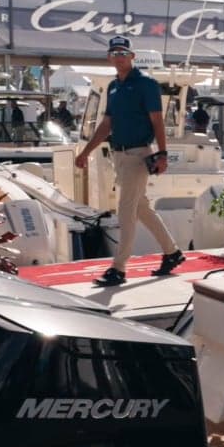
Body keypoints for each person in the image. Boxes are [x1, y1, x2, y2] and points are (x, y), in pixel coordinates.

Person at [75, 36, 182, 287]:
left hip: (138, 155)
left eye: (123, 52)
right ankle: (172, 252)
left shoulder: (146, 84)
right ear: (109, 57)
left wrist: (163, 154)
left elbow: (157, 120)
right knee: (141, 208)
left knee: (126, 212)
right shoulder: (114, 86)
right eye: (114, 53)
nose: (119, 57)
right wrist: (85, 152)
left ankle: (119, 268)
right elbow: (106, 124)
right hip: (119, 155)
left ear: (132, 56)